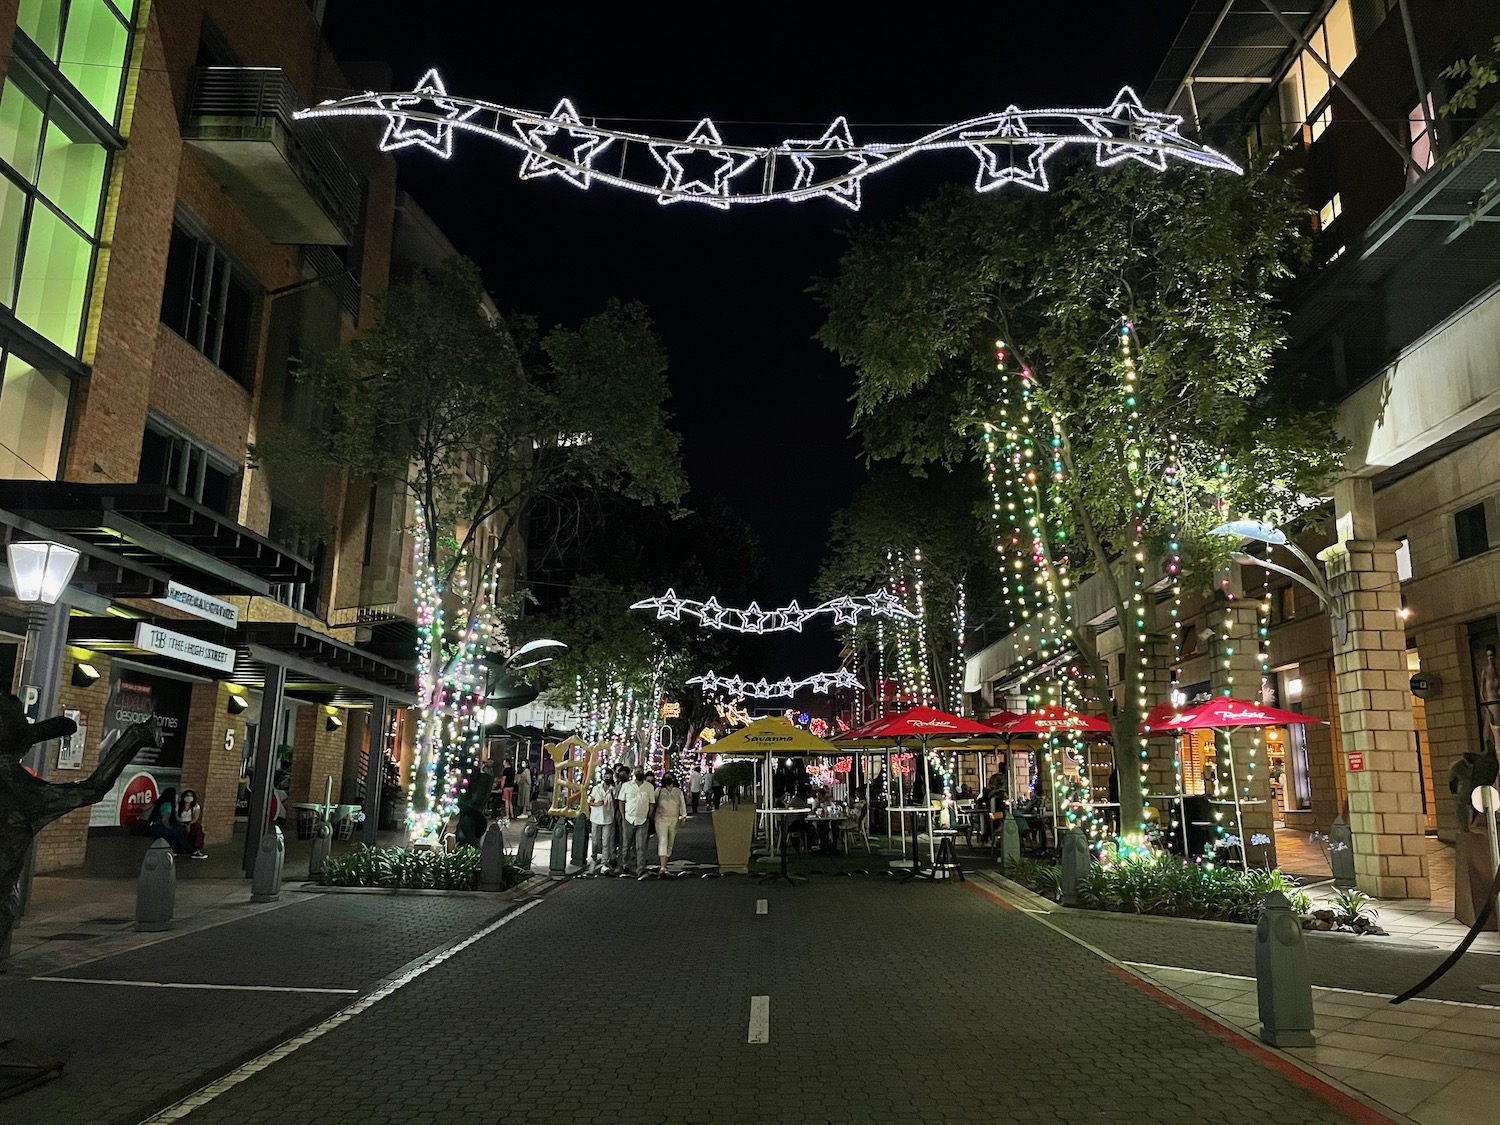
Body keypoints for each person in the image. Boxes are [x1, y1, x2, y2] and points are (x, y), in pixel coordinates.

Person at [618, 768, 655, 875]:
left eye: (641, 772)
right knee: (626, 844)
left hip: (643, 820)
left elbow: (652, 803)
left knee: (641, 846)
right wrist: (623, 815)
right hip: (629, 819)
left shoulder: (649, 787)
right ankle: (625, 865)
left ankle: (640, 868)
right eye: (637, 772)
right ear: (634, 773)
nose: (639, 773)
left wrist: (649, 815)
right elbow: (621, 801)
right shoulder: (626, 786)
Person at [143, 787, 194, 856]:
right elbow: (165, 821)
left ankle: (170, 850)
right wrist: (171, 828)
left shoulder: (159, 803)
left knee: (175, 831)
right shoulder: (168, 805)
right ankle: (192, 851)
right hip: (157, 828)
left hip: (152, 826)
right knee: (177, 832)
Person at [653, 774, 689, 873]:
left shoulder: (678, 792)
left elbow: (682, 805)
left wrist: (683, 818)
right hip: (661, 820)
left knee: (670, 843)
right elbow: (653, 803)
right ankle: (663, 866)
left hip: (674, 821)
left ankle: (665, 864)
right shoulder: (659, 791)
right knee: (663, 840)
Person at [587, 770, 618, 873]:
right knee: (595, 841)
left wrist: (612, 796)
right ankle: (594, 856)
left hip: (608, 818)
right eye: (606, 777)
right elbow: (590, 801)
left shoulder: (612, 790)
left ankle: (604, 862)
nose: (607, 779)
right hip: (596, 817)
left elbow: (615, 804)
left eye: (609, 777)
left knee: (606, 842)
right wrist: (597, 804)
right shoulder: (596, 788)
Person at [176, 789, 208, 858]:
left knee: (197, 828)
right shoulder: (178, 805)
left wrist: (189, 825)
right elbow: (176, 817)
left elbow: (195, 818)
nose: (189, 797)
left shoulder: (196, 806)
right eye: (187, 795)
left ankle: (197, 849)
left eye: (191, 796)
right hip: (180, 822)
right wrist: (183, 824)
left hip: (191, 822)